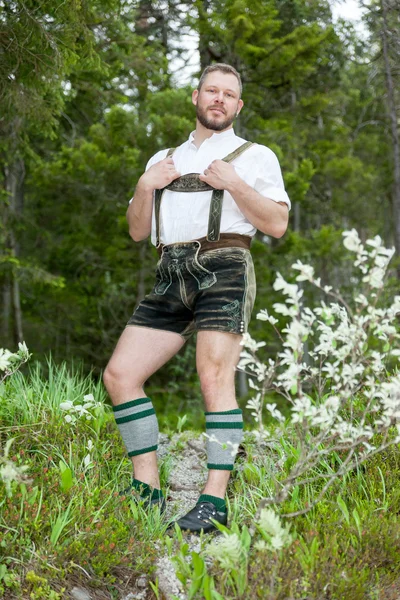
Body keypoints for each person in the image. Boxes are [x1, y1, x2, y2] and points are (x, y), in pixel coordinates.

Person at [103, 63, 290, 534]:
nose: (219, 100)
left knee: (213, 376)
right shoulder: (162, 158)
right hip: (170, 270)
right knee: (121, 374)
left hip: (225, 264)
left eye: (229, 94)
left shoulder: (255, 156)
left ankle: (214, 501)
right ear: (196, 96)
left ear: (238, 106)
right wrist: (147, 186)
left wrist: (236, 184)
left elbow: (277, 224)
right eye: (212, 90)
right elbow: (137, 230)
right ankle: (146, 487)